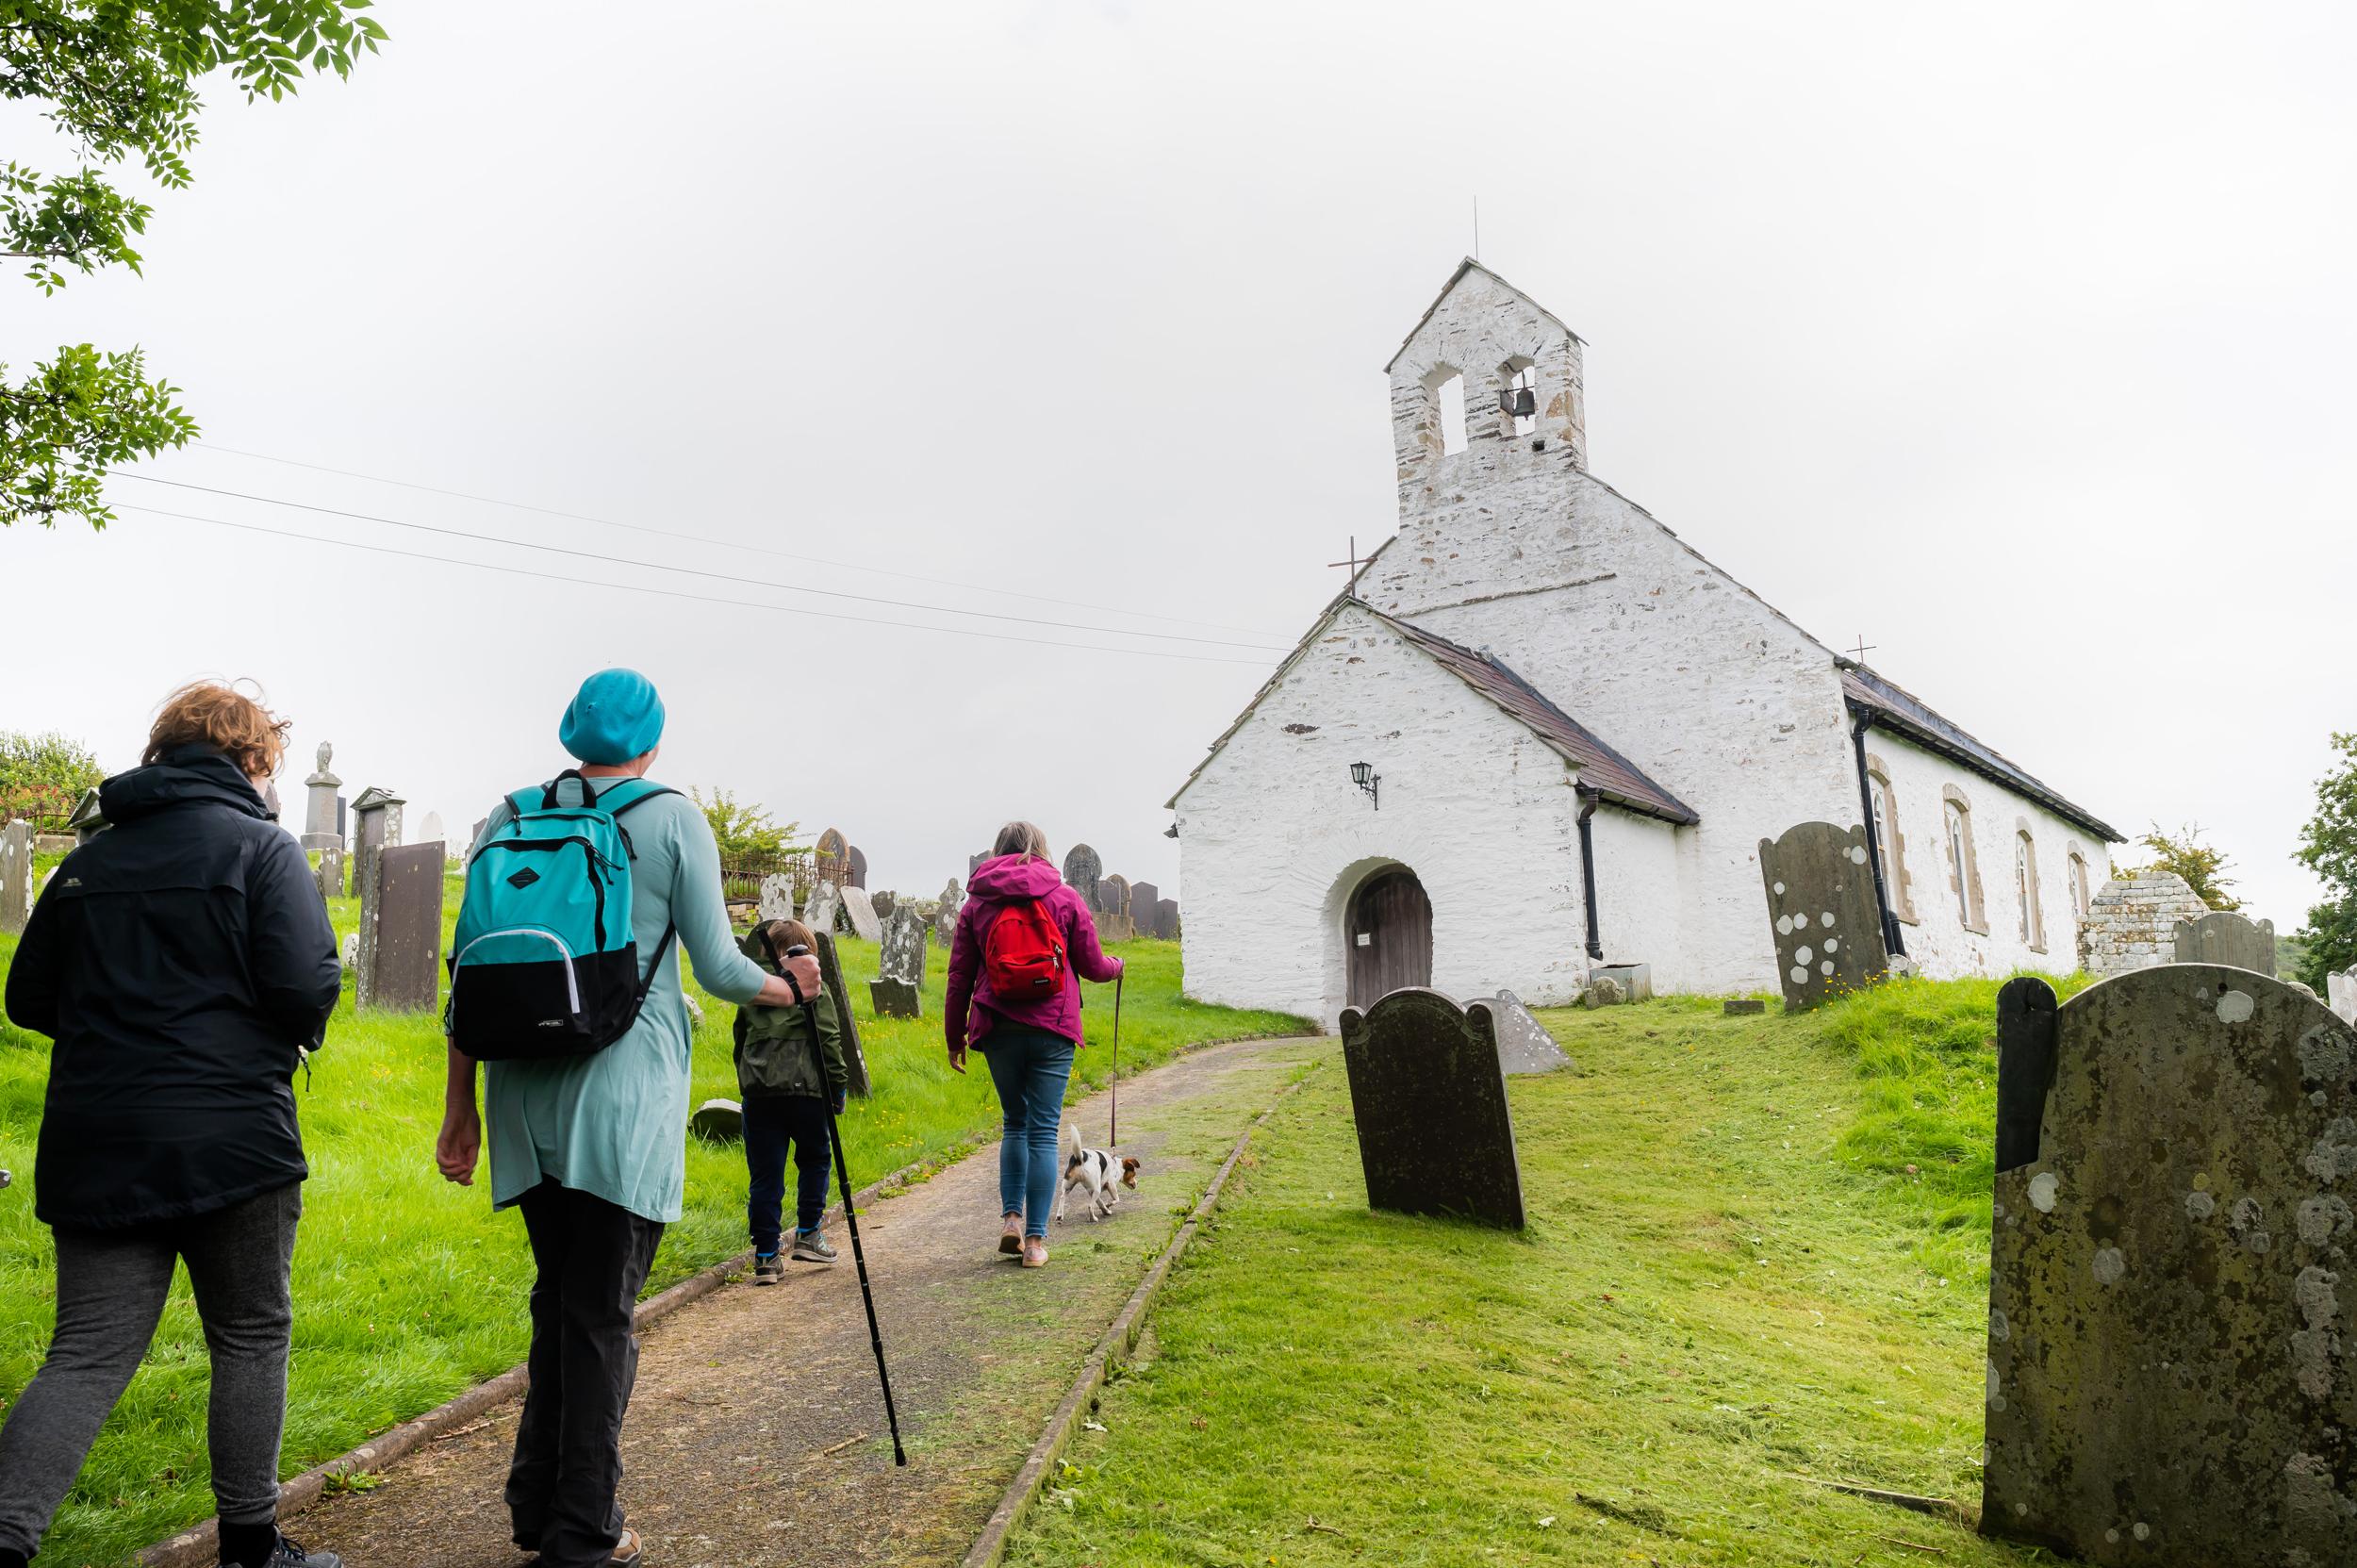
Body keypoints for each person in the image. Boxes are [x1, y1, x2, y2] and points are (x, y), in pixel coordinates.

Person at [433, 669, 819, 1568]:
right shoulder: (672, 817)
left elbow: (468, 976)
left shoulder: (509, 818)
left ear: (573, 732)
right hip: (621, 1094)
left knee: (559, 1298)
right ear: (652, 738)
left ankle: (537, 1510)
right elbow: (721, 968)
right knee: (602, 1312)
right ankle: (586, 1530)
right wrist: (787, 989)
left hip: (521, 1093)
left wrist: (460, 1111)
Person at [0, 682, 342, 1568]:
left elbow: (28, 996)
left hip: (96, 1144)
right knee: (250, 1333)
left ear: (161, 754)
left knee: (82, 1356)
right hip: (234, 1140)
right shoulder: (262, 850)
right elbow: (307, 987)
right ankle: (250, 1547)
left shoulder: (86, 865)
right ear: (255, 762)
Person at [944, 821, 1123, 1268]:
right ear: (1042, 850)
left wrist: (954, 1035)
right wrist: (1118, 966)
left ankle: (1010, 1221)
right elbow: (1095, 965)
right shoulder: (1064, 898)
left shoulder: (977, 905)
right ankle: (1037, 1244)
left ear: (998, 852)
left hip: (997, 1024)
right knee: (1044, 1131)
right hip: (1052, 1026)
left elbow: (959, 976)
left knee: (1014, 1124)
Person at [732, 917, 849, 1279]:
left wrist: (747, 1082)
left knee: (765, 1173)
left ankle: (766, 1255)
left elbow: (739, 1041)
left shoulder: (754, 989)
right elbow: (829, 1040)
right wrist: (838, 1086)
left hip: (760, 1092)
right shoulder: (816, 988)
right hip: (807, 1091)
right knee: (814, 1159)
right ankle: (809, 1234)